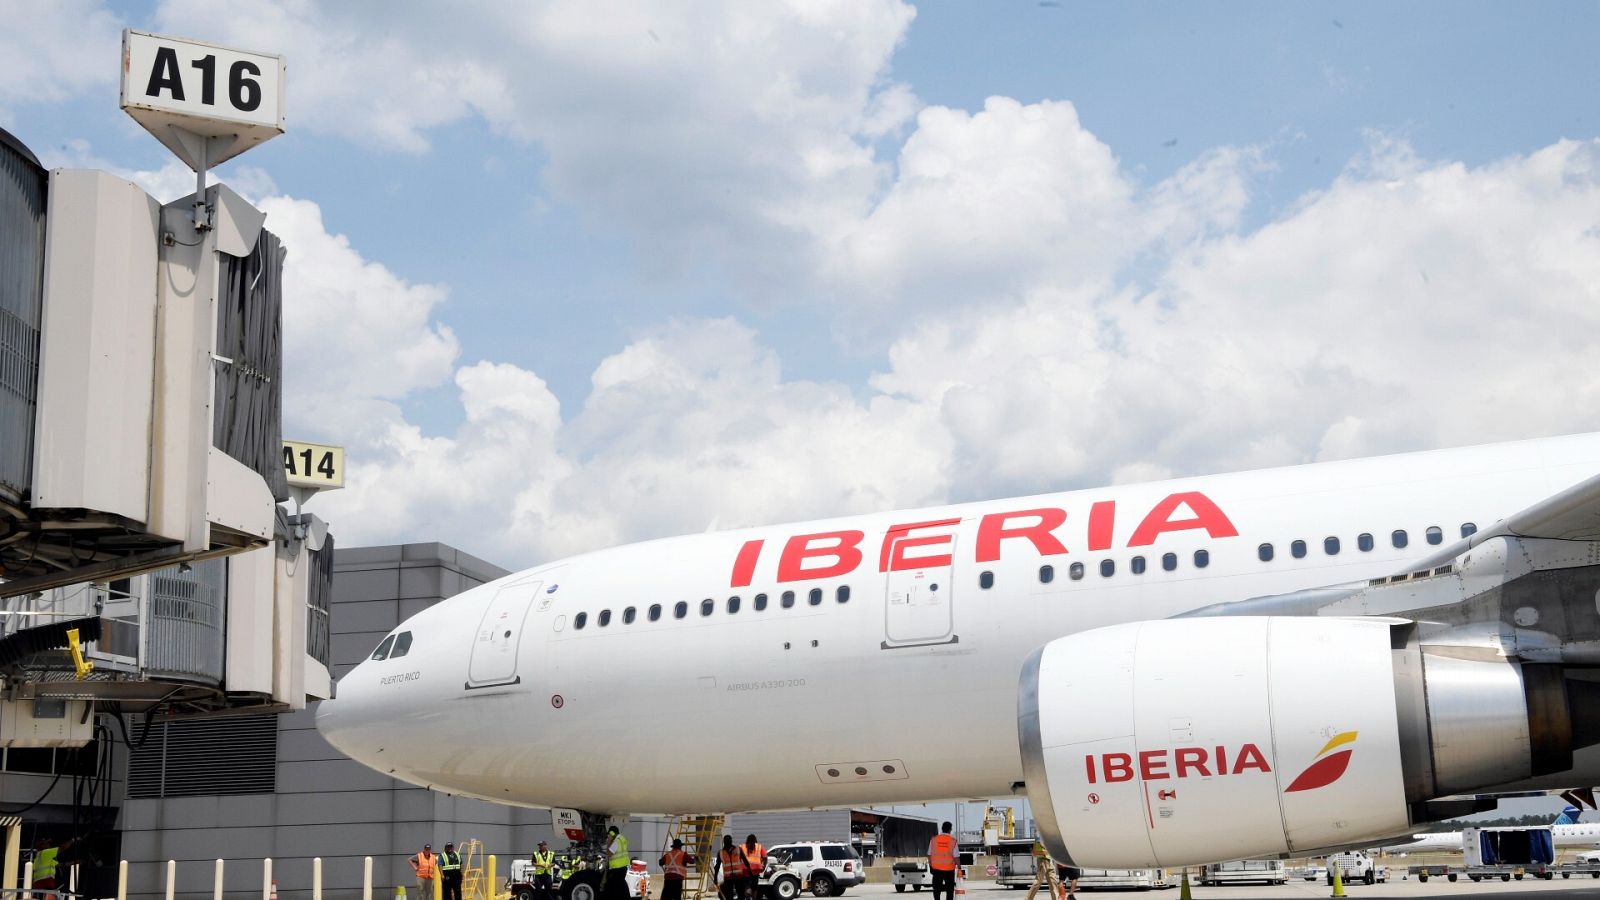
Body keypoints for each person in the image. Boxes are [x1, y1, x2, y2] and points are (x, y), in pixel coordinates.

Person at [927, 822, 959, 900]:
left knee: (937, 890)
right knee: (949, 890)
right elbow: (956, 857)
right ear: (950, 829)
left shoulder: (934, 839)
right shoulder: (953, 840)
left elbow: (929, 854)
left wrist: (931, 865)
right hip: (949, 870)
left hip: (936, 870)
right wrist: (959, 867)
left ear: (942, 828)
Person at [604, 825, 631, 900]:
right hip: (623, 867)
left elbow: (609, 853)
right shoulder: (622, 839)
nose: (608, 836)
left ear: (612, 833)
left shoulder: (616, 841)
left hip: (617, 868)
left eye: (609, 834)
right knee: (622, 885)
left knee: (614, 887)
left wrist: (609, 842)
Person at [715, 835, 744, 900]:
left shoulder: (738, 849)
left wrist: (749, 872)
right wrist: (715, 878)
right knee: (729, 896)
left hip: (738, 876)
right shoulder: (721, 852)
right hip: (729, 878)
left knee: (741, 895)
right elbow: (717, 866)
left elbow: (745, 861)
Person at [739, 835, 766, 900]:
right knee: (754, 887)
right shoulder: (759, 846)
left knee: (747, 885)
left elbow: (737, 858)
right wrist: (763, 867)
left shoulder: (741, 847)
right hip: (756, 870)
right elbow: (765, 857)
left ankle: (748, 896)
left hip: (745, 870)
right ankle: (753, 898)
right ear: (755, 840)